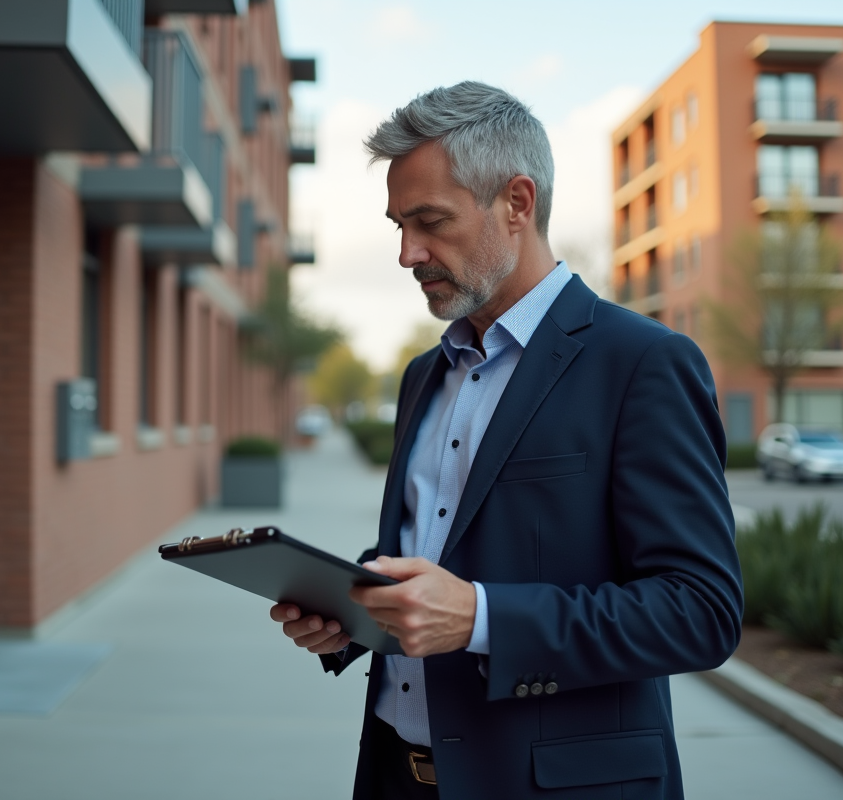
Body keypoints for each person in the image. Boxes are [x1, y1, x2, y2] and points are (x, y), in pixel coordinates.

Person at [270, 81, 742, 800]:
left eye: (430, 221)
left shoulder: (643, 363)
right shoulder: (423, 376)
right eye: (399, 224)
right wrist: (354, 610)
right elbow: (431, 561)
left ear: (517, 203)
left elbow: (700, 612)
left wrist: (484, 618)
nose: (406, 252)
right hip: (396, 777)